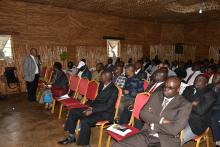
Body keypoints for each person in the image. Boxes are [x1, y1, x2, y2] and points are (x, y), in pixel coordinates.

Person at [112, 77, 192, 147]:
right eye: (165, 86)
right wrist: (161, 120)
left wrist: (152, 124)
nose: (165, 89)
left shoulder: (185, 105)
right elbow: (143, 114)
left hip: (165, 140)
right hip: (147, 133)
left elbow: (174, 129)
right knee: (117, 145)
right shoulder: (157, 95)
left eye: (170, 88)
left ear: (178, 89)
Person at [57, 70, 118, 147]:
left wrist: (92, 110)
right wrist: (90, 107)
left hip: (105, 113)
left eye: (102, 75)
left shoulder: (114, 90)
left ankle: (85, 145)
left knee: (85, 121)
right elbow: (97, 99)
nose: (100, 76)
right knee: (73, 111)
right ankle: (71, 137)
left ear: (107, 77)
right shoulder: (102, 84)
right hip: (95, 108)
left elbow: (108, 106)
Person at [181, 74, 216, 145]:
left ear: (206, 84)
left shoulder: (210, 94)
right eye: (196, 79)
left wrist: (187, 103)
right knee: (166, 130)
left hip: (196, 123)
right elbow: (180, 101)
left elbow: (200, 111)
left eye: (200, 80)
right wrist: (192, 103)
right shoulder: (189, 88)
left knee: (179, 140)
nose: (197, 81)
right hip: (181, 116)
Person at [210, 73, 220, 147]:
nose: (214, 78)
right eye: (214, 77)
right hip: (208, 107)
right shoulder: (209, 86)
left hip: (217, 108)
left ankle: (218, 140)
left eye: (216, 78)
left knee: (213, 117)